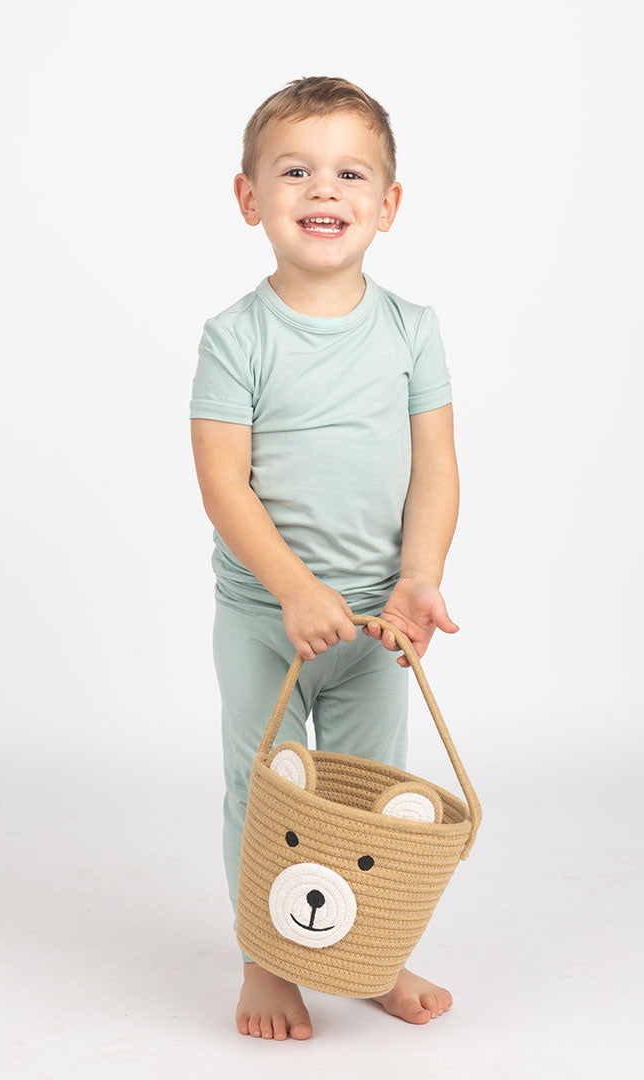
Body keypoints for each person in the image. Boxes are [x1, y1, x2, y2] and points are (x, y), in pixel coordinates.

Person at [189, 75, 461, 1041]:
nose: (322, 191)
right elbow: (226, 486)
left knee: (369, 798)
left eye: (350, 173)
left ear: (386, 206)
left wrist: (418, 574)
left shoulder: (409, 330)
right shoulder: (237, 338)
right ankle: (270, 960)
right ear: (249, 197)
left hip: (377, 623)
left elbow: (435, 466)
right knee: (264, 787)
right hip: (270, 616)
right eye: (295, 170)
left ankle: (365, 952)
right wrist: (295, 591)